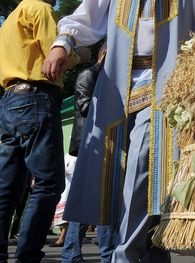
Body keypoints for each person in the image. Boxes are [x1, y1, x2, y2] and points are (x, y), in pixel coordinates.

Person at [47, 0, 195, 263]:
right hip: (119, 85)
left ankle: (126, 254)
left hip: (170, 83)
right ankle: (151, 254)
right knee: (123, 175)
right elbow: (85, 21)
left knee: (148, 167)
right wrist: (62, 44)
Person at [0, 0, 86, 263]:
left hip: (8, 102)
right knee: (50, 182)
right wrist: (81, 54)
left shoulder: (11, 17)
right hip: (36, 99)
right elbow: (56, 56)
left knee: (5, 187)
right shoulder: (42, 12)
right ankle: (27, 256)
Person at [61, 45, 117, 263]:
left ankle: (102, 254)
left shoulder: (106, 80)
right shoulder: (89, 75)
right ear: (104, 55)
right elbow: (85, 106)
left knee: (101, 201)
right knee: (86, 203)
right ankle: (73, 254)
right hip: (89, 145)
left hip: (102, 144)